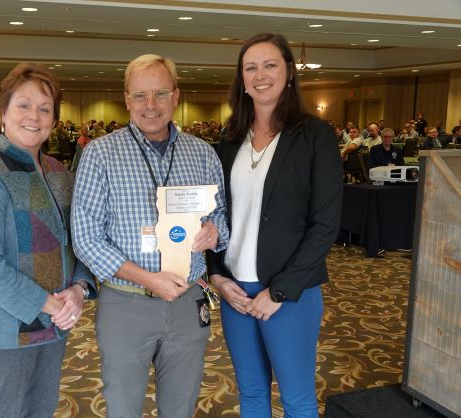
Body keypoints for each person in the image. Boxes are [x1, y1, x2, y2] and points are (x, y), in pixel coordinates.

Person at [71, 53, 228, 418]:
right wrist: (147, 278)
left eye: (160, 93)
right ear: (126, 99)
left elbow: (221, 213)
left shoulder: (202, 154)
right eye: (140, 95)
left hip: (190, 302)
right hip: (126, 303)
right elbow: (86, 238)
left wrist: (215, 230)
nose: (150, 105)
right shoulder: (100, 155)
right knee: (124, 407)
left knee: (181, 405)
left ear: (176, 96)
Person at [206, 33, 342, 418]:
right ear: (242, 79)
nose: (260, 75)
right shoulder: (230, 140)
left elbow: (325, 224)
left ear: (289, 73)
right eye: (251, 67)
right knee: (250, 394)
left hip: (290, 292)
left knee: (297, 399)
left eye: (270, 65)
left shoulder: (315, 136)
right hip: (235, 291)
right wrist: (217, 277)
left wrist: (279, 291)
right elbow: (216, 216)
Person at [0, 63, 95, 418]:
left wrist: (79, 289)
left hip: (53, 324)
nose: (35, 116)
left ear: (54, 120)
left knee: (39, 410)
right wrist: (52, 305)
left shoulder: (60, 173)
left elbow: (81, 243)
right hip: (1, 330)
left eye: (45, 109)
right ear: (3, 113)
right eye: (24, 105)